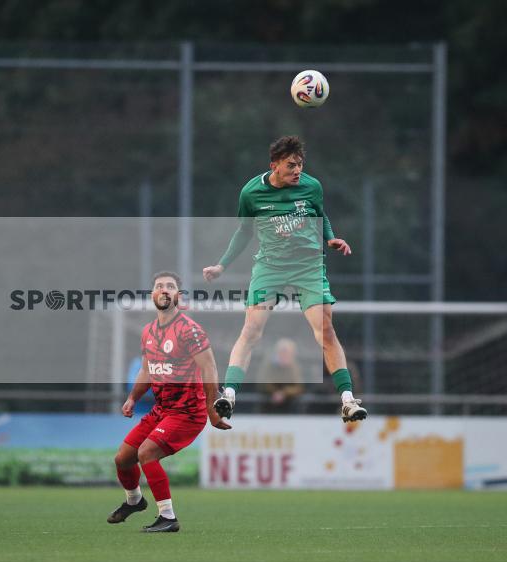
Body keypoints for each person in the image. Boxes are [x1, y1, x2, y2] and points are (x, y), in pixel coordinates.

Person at [203, 136, 367, 423]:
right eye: (291, 165)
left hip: (308, 266)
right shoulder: (251, 193)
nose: (297, 170)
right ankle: (228, 394)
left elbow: (321, 215)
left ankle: (347, 400)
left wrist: (330, 238)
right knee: (251, 330)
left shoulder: (312, 187)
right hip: (271, 267)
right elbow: (244, 232)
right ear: (274, 166)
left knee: (325, 330)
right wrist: (221, 265)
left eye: (300, 164)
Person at [108, 271, 231, 532]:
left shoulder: (189, 330)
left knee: (146, 453)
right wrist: (133, 398)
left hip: (188, 412)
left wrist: (212, 410)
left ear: (179, 296)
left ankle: (168, 518)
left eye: (170, 286)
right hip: (161, 410)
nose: (164, 289)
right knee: (123, 459)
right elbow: (146, 370)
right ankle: (134, 501)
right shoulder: (148, 331)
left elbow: (209, 368)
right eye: (159, 286)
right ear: (152, 294)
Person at [257, 338, 304, 414]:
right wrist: (275, 392)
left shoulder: (294, 367)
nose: (286, 356)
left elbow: (299, 387)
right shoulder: (268, 365)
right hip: (268, 402)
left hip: (289, 403)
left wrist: (283, 393)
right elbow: (263, 382)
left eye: (289, 354)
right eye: (284, 353)